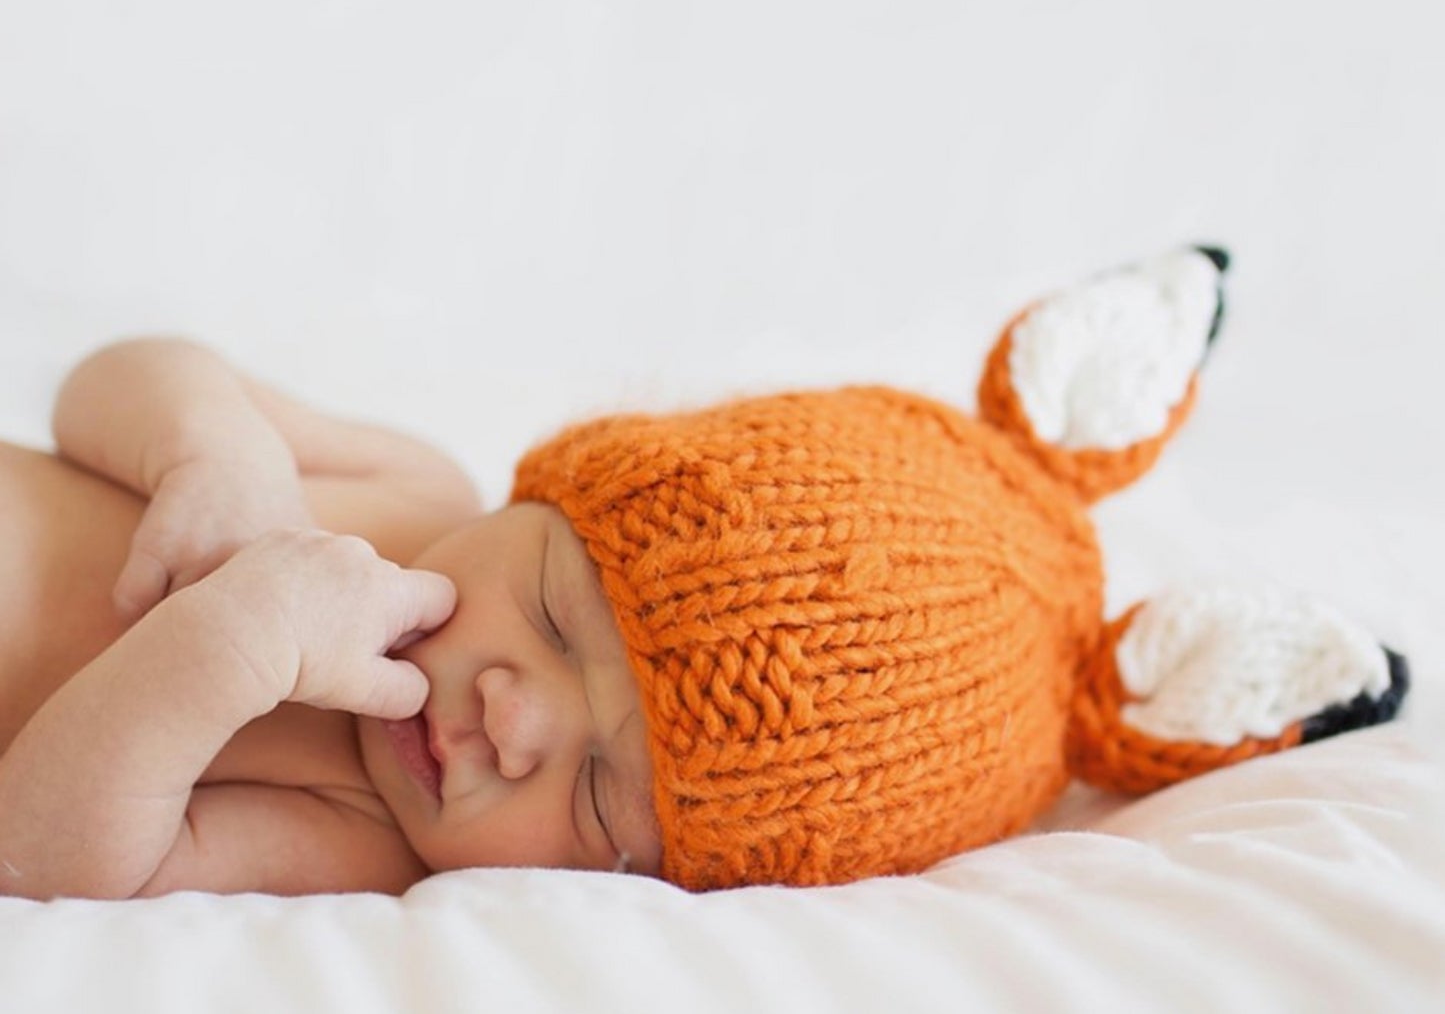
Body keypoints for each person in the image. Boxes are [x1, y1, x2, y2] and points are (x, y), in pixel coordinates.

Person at [0, 246, 1408, 900]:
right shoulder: (412, 490)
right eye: (554, 610)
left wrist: (229, 651)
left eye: (601, 794)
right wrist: (215, 454)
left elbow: (49, 857)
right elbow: (110, 383)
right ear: (546, 494)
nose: (513, 714)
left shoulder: (361, 831)